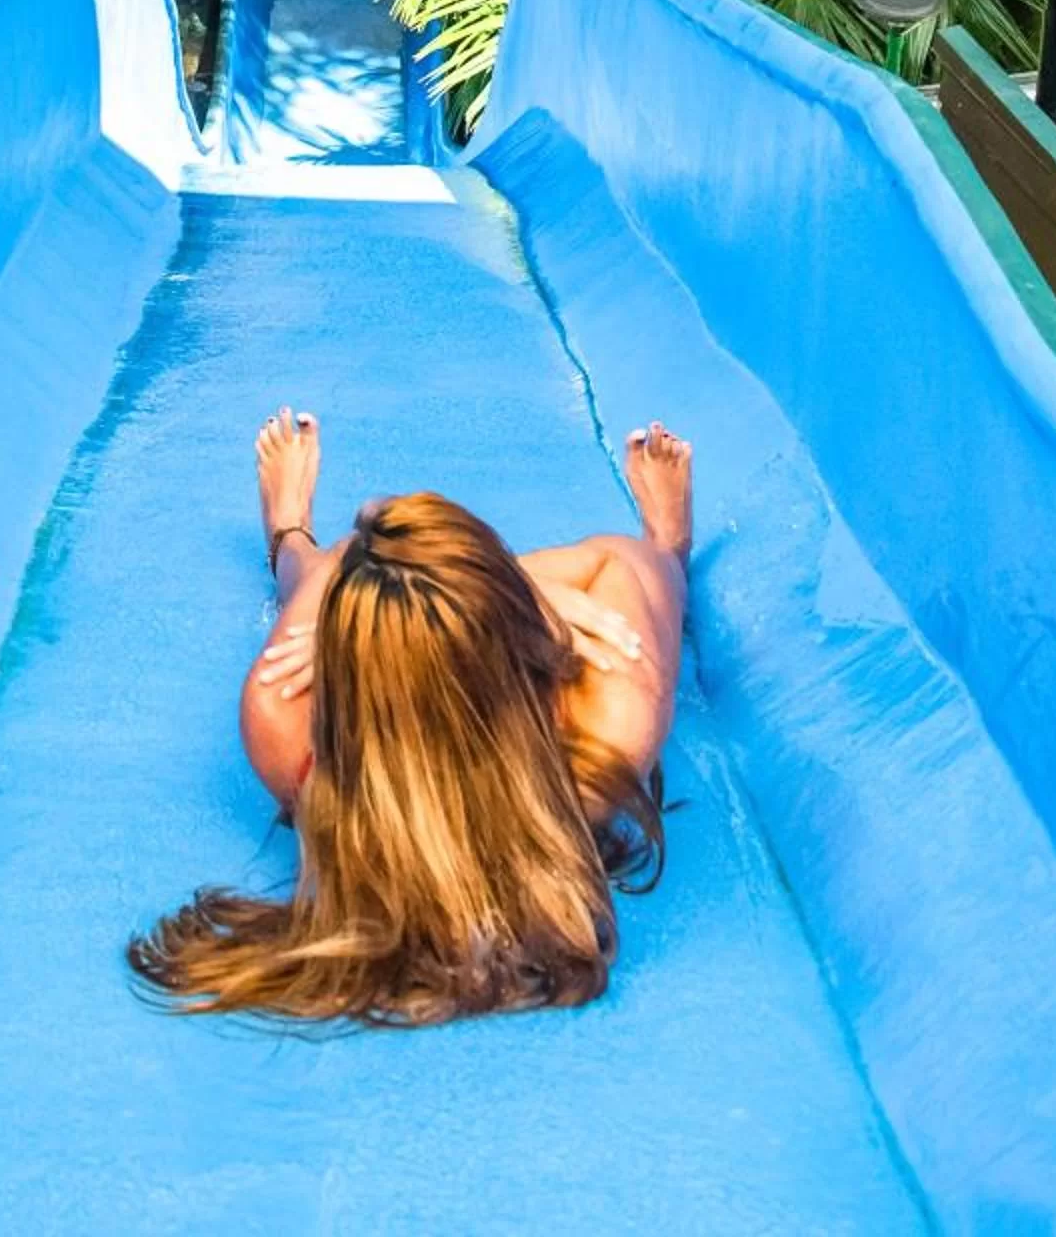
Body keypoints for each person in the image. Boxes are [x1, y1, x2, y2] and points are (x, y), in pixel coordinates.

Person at [127, 407, 691, 1026]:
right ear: (522, 638)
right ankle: (654, 538)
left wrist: (386, 626)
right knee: (645, 563)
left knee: (345, 561)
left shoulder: (284, 719)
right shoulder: (602, 732)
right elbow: (626, 566)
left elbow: (342, 567)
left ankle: (290, 534)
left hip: (383, 637)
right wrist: (538, 595)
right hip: (522, 669)